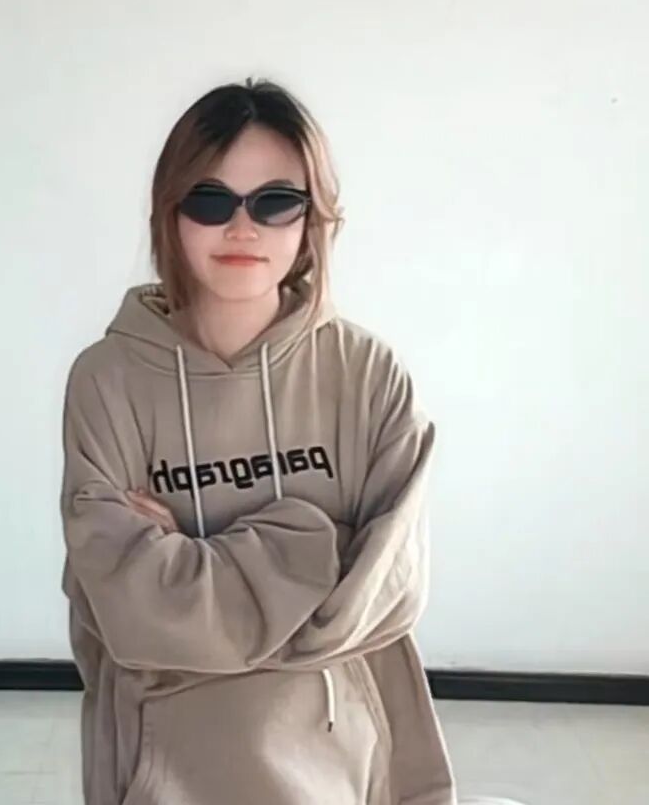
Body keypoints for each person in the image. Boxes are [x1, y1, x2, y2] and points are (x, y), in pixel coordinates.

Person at [58, 79, 500, 805]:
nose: (243, 228)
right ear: (170, 212)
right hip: (164, 773)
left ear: (312, 216)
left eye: (275, 201)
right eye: (210, 200)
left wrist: (190, 567)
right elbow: (128, 611)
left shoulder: (367, 373)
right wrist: (323, 545)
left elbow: (389, 593)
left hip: (343, 765)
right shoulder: (108, 379)